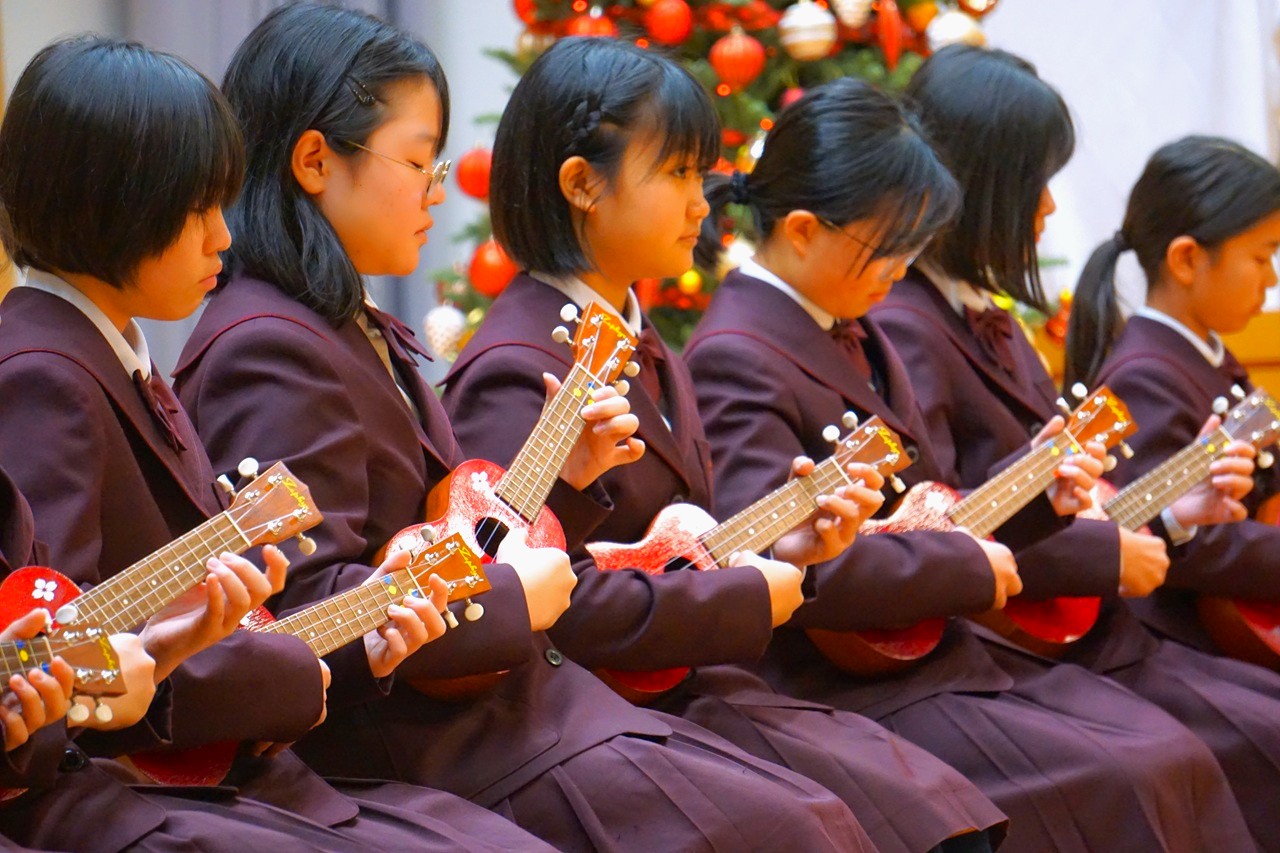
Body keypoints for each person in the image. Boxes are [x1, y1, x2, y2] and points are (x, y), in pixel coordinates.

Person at [173, 6, 867, 850]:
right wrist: (515, 591)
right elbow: (306, 608)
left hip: (513, 709)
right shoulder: (270, 343)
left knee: (835, 809)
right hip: (424, 744)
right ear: (316, 160)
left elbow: (454, 536)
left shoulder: (334, 322)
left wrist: (561, 487)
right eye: (419, 158)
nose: (436, 187)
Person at [0, 33, 551, 852]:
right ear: (107, 201)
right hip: (116, 797)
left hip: (212, 769)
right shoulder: (45, 372)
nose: (224, 236)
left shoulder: (106, 351)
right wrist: (279, 665)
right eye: (198, 207)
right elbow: (61, 663)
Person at [688, 74, 1254, 851]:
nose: (903, 263)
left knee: (1163, 756)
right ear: (802, 230)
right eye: (887, 243)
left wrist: (1044, 496)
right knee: (1129, 770)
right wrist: (973, 569)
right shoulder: (737, 351)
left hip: (932, 648)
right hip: (842, 677)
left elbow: (934, 507)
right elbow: (785, 566)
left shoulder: (851, 324)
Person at [1064, 134, 1280, 848]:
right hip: (1174, 636)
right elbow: (1194, 542)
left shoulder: (1208, 355)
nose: (1271, 277)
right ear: (1188, 259)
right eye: (1261, 254)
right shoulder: (1146, 372)